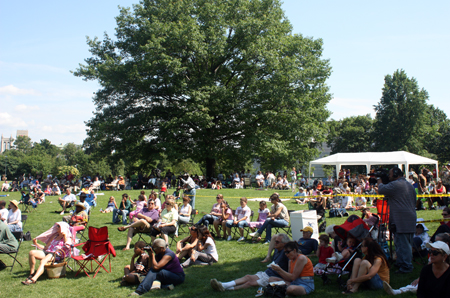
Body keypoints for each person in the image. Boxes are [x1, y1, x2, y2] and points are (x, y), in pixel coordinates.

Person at [210, 234, 290, 291]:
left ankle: (227, 289)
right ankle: (224, 284)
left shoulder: (287, 253)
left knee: (249, 283)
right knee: (247, 277)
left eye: (277, 242)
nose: (275, 243)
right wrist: (268, 256)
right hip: (267, 273)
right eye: (275, 241)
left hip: (272, 277)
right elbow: (275, 236)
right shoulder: (277, 248)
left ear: (285, 244)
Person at [377, 167, 416, 274]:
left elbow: (381, 190)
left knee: (404, 244)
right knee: (399, 242)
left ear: (395, 174)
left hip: (403, 218)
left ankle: (406, 266)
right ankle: (401, 263)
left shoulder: (396, 184)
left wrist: (379, 180)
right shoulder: (406, 184)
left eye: (390, 174)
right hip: (404, 217)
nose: (389, 177)